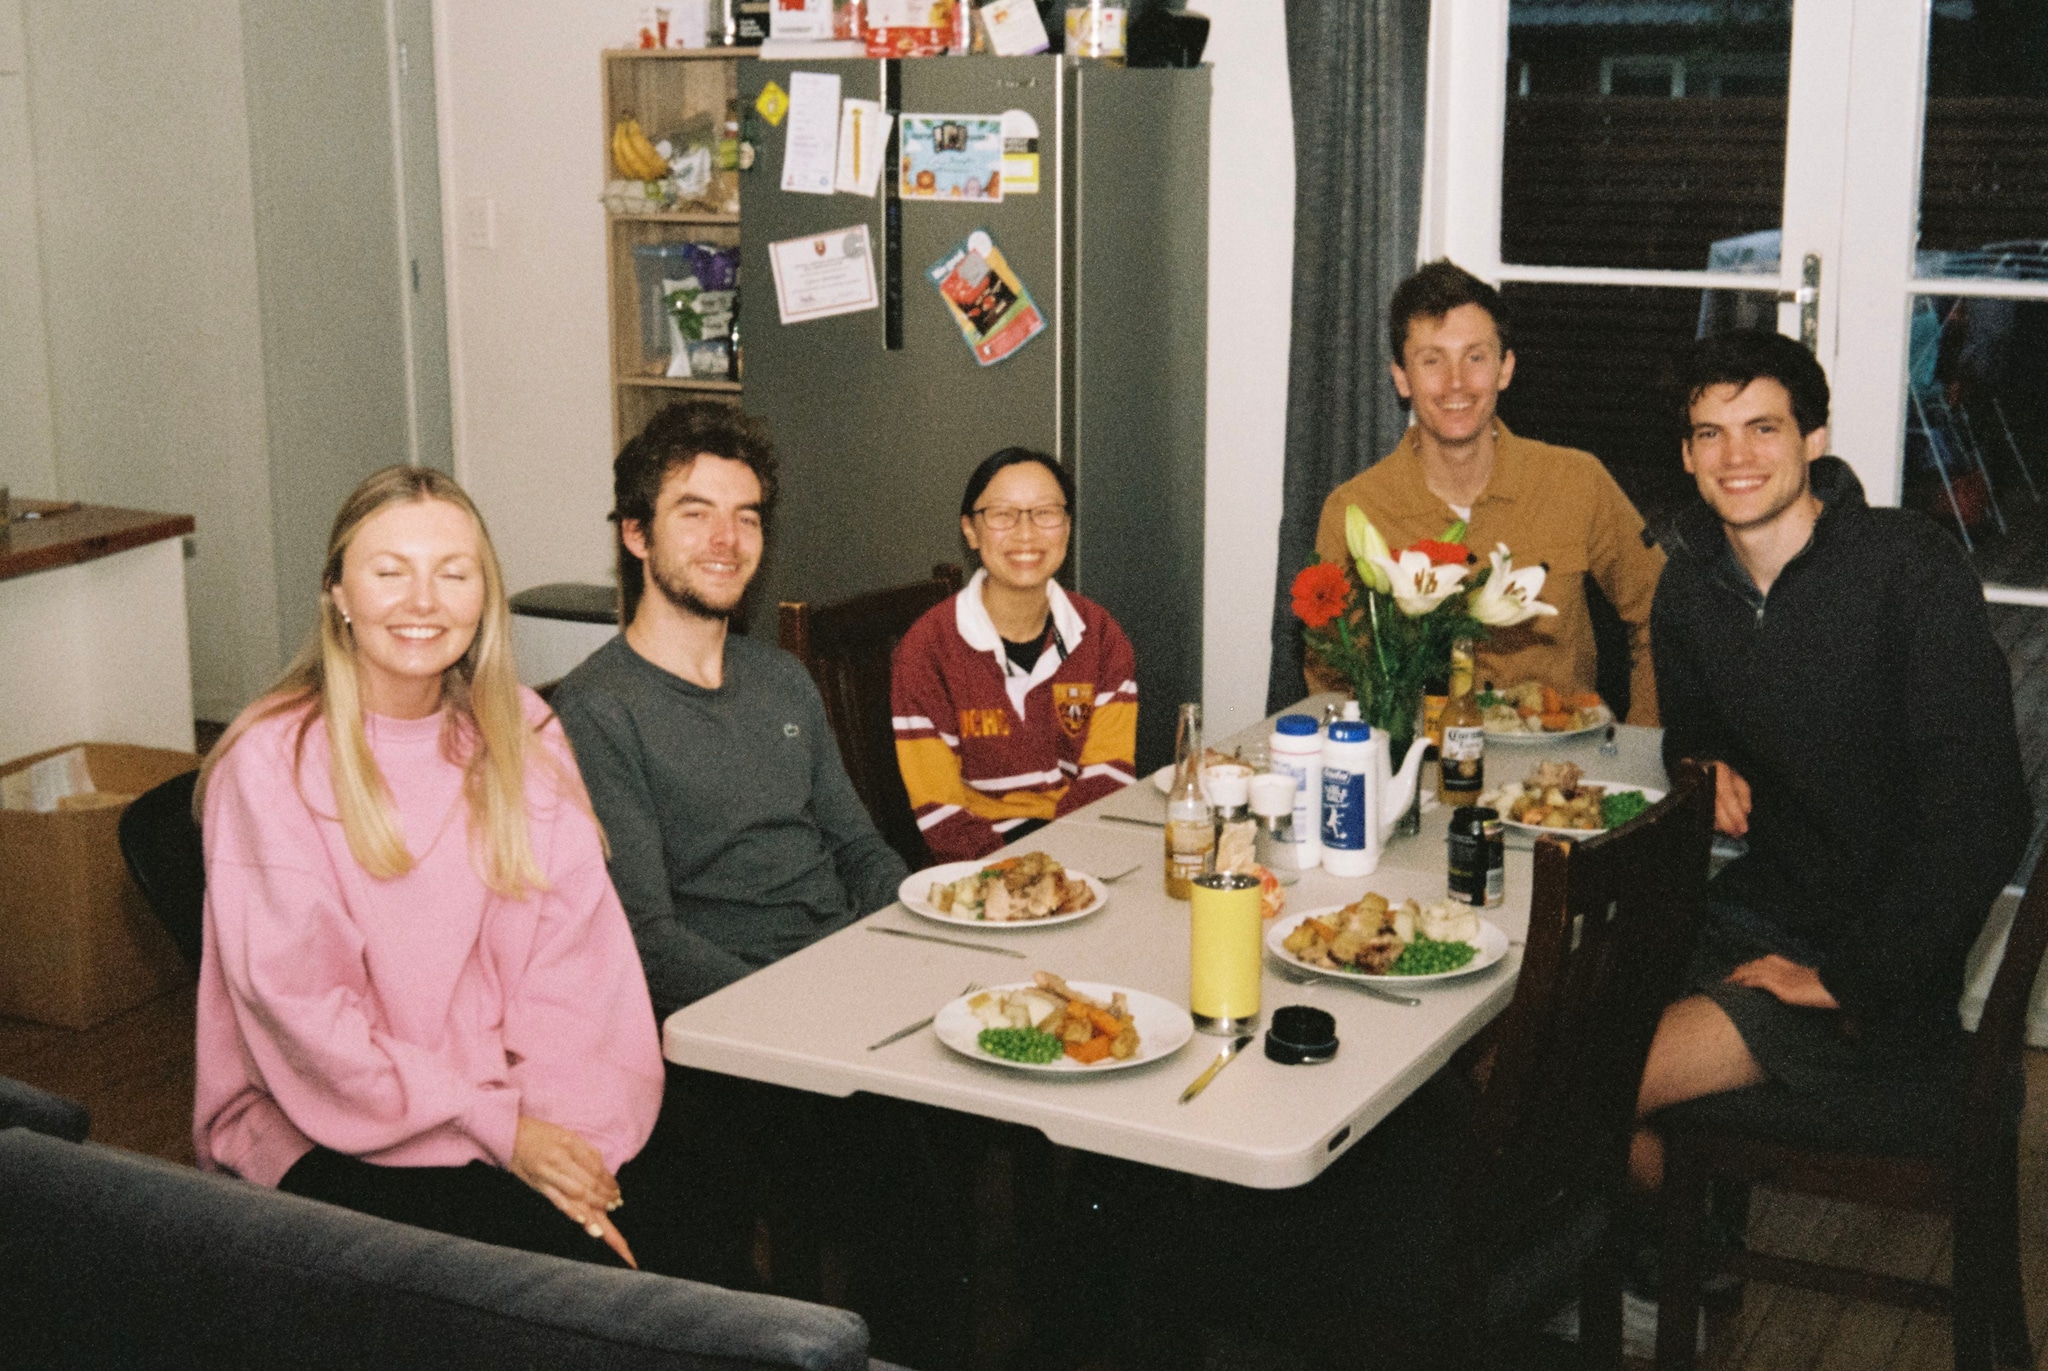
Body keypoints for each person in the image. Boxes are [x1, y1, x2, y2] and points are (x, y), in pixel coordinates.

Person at [192, 466, 667, 1272]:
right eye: (390, 571)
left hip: (503, 1103)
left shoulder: (523, 731)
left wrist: (574, 1145)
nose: (424, 601)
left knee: (693, 1227)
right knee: (579, 1284)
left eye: (453, 573)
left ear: (485, 596)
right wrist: (506, 1131)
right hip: (319, 1117)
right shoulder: (269, 764)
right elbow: (311, 1027)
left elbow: (577, 970)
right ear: (337, 592)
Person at [1633, 327, 2030, 1188]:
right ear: (1688, 455)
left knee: (1577, 1085)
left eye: (1763, 428)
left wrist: (1849, 979)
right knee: (1517, 1039)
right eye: (1710, 433)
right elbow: (1691, 729)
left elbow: (1989, 814)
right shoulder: (1690, 586)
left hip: (1877, 969)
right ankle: (1675, 1232)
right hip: (1752, 916)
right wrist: (1701, 759)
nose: (1736, 457)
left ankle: (1664, 1243)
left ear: (1813, 439)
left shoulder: (1908, 569)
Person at [551, 399, 908, 1021]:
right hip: (739, 1020)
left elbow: (859, 849)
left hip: (848, 972)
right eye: (696, 514)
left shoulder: (782, 677)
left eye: (747, 517)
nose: (727, 540)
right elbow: (647, 942)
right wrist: (798, 1011)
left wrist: (924, 932)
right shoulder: (597, 711)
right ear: (636, 534)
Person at [1312, 259, 1665, 721]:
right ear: (1401, 377)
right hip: (1419, 758)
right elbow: (1330, 671)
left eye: (1475, 357)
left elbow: (1664, 614)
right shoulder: (1355, 509)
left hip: (1556, 756)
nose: (1456, 383)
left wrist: (1642, 742)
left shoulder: (1577, 482)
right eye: (1432, 360)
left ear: (1505, 368)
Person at [892, 447, 1139, 861]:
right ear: (970, 531)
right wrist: (1010, 875)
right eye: (1003, 514)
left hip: (1080, 847)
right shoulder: (927, 650)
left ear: (1067, 526)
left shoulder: (1099, 636)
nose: (1026, 533)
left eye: (1045, 513)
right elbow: (942, 810)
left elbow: (1108, 776)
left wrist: (1060, 865)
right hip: (977, 860)